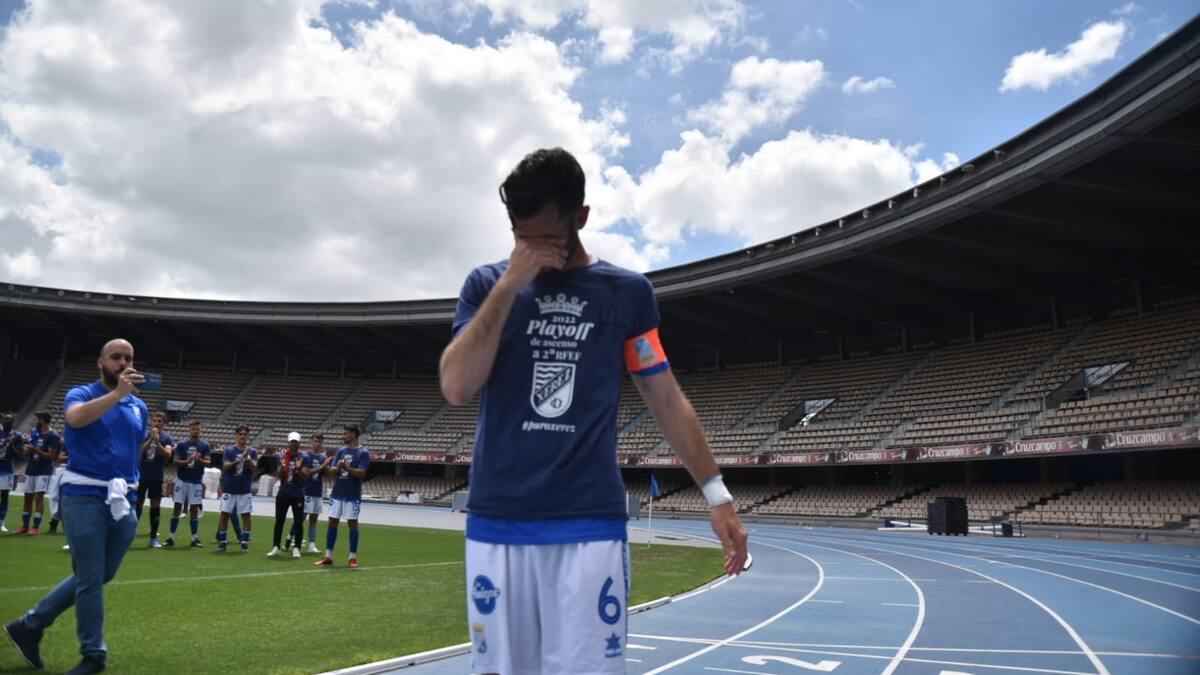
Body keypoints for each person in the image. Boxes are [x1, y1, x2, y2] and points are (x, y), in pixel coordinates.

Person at [439, 148, 749, 674]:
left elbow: (664, 397)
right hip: (498, 522)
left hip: (588, 527)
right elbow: (456, 386)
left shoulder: (626, 294)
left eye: (543, 238)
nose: (528, 249)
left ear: (580, 218)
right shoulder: (485, 285)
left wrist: (717, 497)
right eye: (519, 236)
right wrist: (511, 283)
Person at [3, 338, 148, 675]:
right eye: (116, 357)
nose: (123, 363)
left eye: (128, 357)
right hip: (83, 497)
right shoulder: (81, 393)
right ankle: (93, 654)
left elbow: (130, 448)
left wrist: (130, 489)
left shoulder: (138, 406)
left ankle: (29, 625)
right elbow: (76, 419)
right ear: (101, 362)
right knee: (92, 577)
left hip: (123, 499)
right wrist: (116, 395)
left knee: (98, 575)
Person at [313, 425, 369, 568]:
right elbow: (331, 472)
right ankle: (328, 556)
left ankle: (352, 558)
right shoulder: (341, 450)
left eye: (345, 433)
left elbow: (362, 473)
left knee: (352, 525)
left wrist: (347, 468)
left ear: (353, 434)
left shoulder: (363, 452)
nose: (343, 435)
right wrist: (336, 468)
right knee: (332, 522)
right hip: (337, 493)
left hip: (352, 494)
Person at [165, 420, 210, 548]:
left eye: (197, 429)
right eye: (193, 428)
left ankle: (194, 538)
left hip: (196, 481)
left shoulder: (204, 445)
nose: (195, 431)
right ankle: (171, 537)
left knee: (194, 509)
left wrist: (199, 459)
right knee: (177, 507)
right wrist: (188, 460)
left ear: (200, 430)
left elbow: (208, 462)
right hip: (182, 479)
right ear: (189, 429)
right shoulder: (182, 444)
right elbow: (175, 462)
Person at [135, 412, 174, 548]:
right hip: (141, 475)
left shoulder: (167, 438)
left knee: (155, 506)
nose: (157, 423)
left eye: (160, 421)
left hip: (156, 476)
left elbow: (168, 454)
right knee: (137, 504)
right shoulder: (144, 434)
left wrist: (157, 443)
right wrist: (151, 439)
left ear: (164, 423)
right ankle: (130, 533)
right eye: (155, 420)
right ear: (151, 422)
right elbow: (139, 451)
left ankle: (153, 538)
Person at [19, 412, 61, 536]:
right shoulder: (35, 432)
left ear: (43, 420)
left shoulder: (53, 436)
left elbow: (52, 456)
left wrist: (35, 450)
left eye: (38, 418)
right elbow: (28, 450)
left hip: (43, 470)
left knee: (39, 497)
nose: (36, 420)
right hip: (31, 468)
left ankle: (35, 527)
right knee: (27, 497)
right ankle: (25, 526)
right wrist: (26, 449)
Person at [216, 425, 257, 553]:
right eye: (240, 434)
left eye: (245, 434)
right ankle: (222, 542)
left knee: (246, 516)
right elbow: (226, 466)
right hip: (229, 488)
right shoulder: (229, 450)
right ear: (236, 435)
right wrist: (239, 460)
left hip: (244, 489)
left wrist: (247, 458)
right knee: (224, 515)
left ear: (247, 436)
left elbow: (255, 468)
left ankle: (244, 542)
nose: (242, 436)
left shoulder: (252, 451)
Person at [269, 432, 305, 559]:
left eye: (295, 441)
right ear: (288, 443)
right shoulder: (282, 457)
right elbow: (278, 475)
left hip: (297, 493)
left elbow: (306, 476)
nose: (293, 444)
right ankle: (276, 546)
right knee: (279, 520)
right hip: (283, 492)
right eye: (291, 441)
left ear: (299, 443)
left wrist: (299, 469)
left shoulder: (303, 457)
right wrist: (282, 469)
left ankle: (297, 547)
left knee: (298, 522)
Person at [299, 433, 331, 554]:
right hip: (306, 491)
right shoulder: (305, 455)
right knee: (302, 517)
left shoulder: (323, 457)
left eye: (319, 442)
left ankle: (311, 545)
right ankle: (293, 538)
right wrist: (322, 466)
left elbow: (328, 475)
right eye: (315, 441)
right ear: (311, 442)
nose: (317, 444)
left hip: (317, 491)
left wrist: (327, 467)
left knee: (314, 519)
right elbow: (306, 473)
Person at [0, 414, 22, 533]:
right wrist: (5, 443)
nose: (5, 421)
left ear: (12, 422)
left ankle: (1, 523)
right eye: (4, 419)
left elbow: (20, 455)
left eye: (8, 419)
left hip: (6, 469)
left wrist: (11, 444)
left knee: (4, 496)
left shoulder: (17, 435)